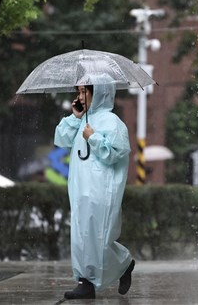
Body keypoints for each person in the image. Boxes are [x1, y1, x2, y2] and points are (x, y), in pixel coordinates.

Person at [54, 73, 135, 299]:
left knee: (99, 235)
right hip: (80, 187)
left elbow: (115, 153)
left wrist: (94, 138)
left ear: (97, 92)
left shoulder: (112, 122)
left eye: (83, 91)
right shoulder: (81, 120)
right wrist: (75, 117)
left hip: (102, 188)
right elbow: (61, 139)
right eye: (78, 91)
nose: (80, 96)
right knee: (81, 234)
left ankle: (120, 264)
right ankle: (85, 280)